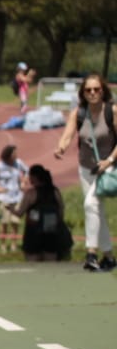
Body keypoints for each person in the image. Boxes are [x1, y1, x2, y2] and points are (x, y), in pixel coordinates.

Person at [52, 72, 117, 271]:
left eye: (96, 89)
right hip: (86, 167)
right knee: (95, 210)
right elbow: (68, 135)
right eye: (88, 90)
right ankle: (109, 257)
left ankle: (91, 254)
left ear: (103, 90)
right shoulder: (79, 113)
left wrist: (109, 160)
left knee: (90, 204)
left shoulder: (111, 111)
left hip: (107, 166)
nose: (92, 93)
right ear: (83, 93)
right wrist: (60, 148)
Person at [17, 164, 71, 262]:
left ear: (34, 177)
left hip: (33, 232)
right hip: (51, 230)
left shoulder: (31, 193)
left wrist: (10, 209)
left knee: (33, 262)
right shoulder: (54, 191)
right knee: (50, 261)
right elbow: (61, 209)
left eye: (30, 176)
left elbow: (20, 213)